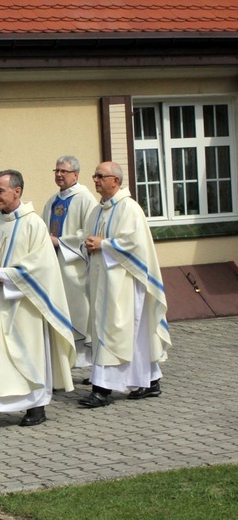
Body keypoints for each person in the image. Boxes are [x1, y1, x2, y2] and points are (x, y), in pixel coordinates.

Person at [0, 170, 76, 431]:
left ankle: (35, 406)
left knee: (26, 357)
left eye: (0, 191)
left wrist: (8, 275)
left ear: (17, 191)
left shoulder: (33, 224)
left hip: (24, 305)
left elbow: (42, 265)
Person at [78, 162, 171, 408]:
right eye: (94, 175)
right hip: (103, 283)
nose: (95, 179)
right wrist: (87, 245)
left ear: (115, 181)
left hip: (126, 284)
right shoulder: (97, 210)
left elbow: (136, 244)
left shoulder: (130, 208)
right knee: (128, 335)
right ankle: (150, 381)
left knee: (117, 333)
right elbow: (89, 239)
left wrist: (104, 245)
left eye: (100, 176)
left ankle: (102, 389)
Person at [42, 156, 97, 372]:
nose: (59, 175)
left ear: (76, 174)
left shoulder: (85, 199)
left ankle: (88, 362)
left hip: (75, 269)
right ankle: (64, 362)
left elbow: (89, 232)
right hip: (55, 267)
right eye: (56, 170)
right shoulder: (52, 201)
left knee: (80, 314)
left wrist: (60, 241)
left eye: (63, 171)